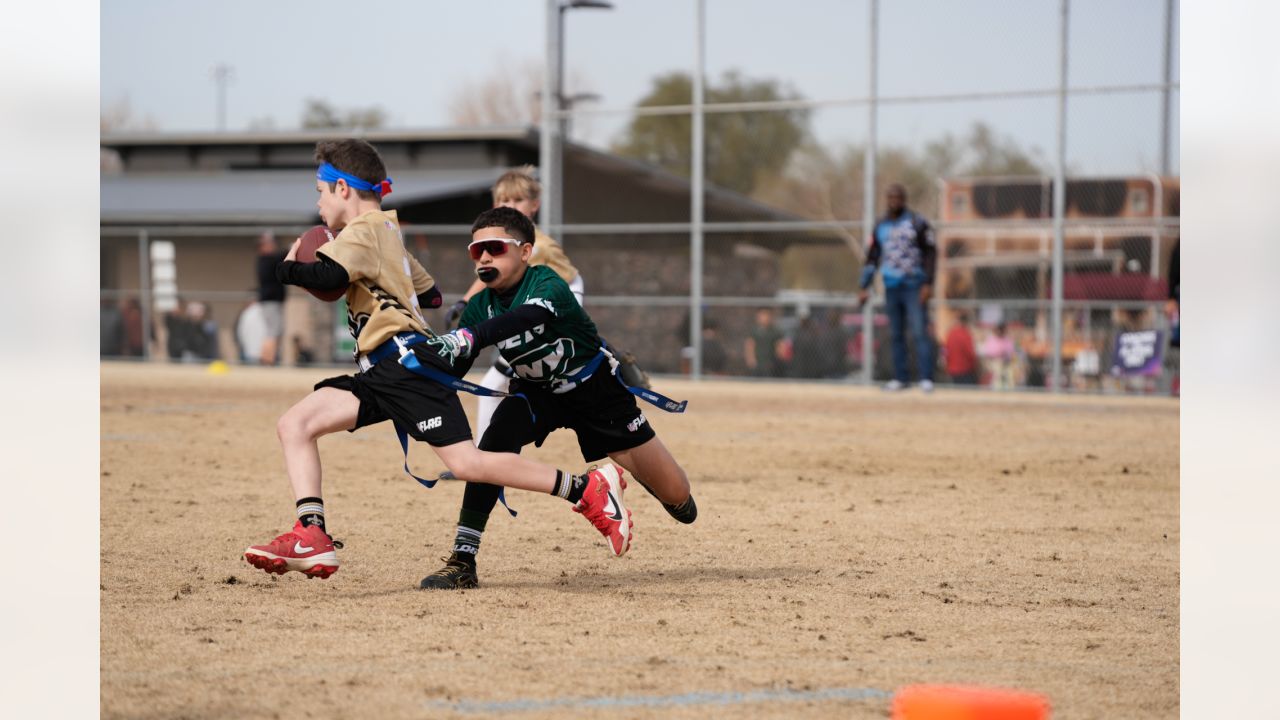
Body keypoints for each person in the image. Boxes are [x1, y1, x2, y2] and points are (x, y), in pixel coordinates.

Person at [243, 139, 634, 581]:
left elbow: (330, 274)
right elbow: (429, 293)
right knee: (295, 424)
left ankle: (586, 489)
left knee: (467, 464)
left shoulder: (364, 229)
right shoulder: (387, 232)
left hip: (403, 365)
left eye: (320, 190)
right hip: (382, 370)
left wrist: (287, 266)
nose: (317, 202)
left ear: (343, 190)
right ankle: (312, 535)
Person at [420, 206, 696, 590]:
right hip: (536, 394)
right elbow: (452, 368)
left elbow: (523, 319)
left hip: (596, 392)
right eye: (476, 250)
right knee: (493, 444)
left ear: (525, 252)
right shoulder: (480, 306)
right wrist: (413, 368)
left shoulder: (547, 282)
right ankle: (462, 560)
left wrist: (471, 336)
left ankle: (633, 476)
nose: (484, 256)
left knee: (681, 502)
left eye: (495, 247)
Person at [441, 166, 585, 447]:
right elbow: (487, 281)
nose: (510, 206)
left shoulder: (534, 245)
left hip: (567, 292)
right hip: (533, 304)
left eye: (518, 200)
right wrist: (463, 302)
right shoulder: (496, 245)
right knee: (495, 382)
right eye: (504, 200)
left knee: (560, 359)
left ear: (535, 205)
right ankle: (485, 454)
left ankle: (606, 357)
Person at [858, 184, 937, 392]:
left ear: (904, 199)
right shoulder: (880, 224)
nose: (894, 201)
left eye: (898, 197)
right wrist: (863, 286)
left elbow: (930, 254)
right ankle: (900, 378)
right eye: (891, 197)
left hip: (913, 285)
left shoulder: (917, 222)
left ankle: (925, 378)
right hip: (891, 286)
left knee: (920, 331)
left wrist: (928, 283)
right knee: (895, 334)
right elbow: (872, 257)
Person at [255, 231, 288, 366]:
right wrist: (293, 247)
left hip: (272, 302)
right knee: (273, 331)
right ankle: (267, 360)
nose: (272, 246)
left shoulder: (269, 259)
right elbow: (280, 257)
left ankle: (267, 360)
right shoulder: (265, 260)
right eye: (268, 244)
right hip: (270, 302)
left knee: (274, 331)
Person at [743, 307, 783, 378]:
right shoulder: (754, 331)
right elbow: (750, 345)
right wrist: (751, 359)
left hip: (770, 364)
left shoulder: (774, 331)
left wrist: (778, 360)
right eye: (762, 315)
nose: (764, 318)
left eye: (767, 315)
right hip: (757, 364)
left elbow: (779, 347)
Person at [943, 311, 978, 385]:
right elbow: (971, 353)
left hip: (952, 370)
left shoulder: (950, 334)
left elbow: (946, 352)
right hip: (965, 370)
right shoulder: (966, 334)